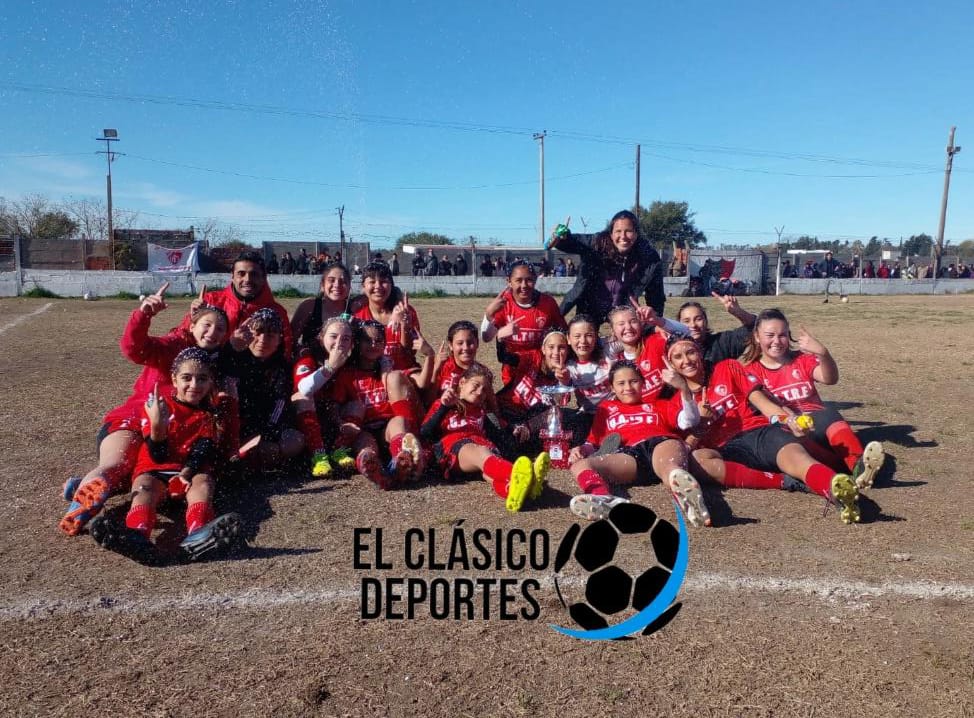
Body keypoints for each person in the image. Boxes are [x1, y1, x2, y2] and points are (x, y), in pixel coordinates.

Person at [60, 286, 229, 536]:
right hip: (136, 420)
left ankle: (86, 485)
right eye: (206, 324)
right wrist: (143, 315)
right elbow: (134, 348)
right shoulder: (175, 344)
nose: (212, 332)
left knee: (146, 471)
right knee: (118, 463)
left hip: (178, 437)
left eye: (220, 329)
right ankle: (81, 505)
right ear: (192, 324)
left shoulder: (218, 363)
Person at [665, 335, 863, 524]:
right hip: (726, 451)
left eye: (690, 352)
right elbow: (687, 446)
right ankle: (785, 482)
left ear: (700, 352)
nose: (687, 360)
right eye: (678, 357)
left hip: (758, 434)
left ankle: (840, 493)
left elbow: (764, 404)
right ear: (671, 365)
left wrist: (788, 420)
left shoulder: (727, 368)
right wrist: (701, 422)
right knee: (698, 460)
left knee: (798, 459)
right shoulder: (675, 403)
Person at [88, 348, 243, 563]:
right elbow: (157, 455)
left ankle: (198, 535)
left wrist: (187, 474)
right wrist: (158, 427)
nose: (194, 385)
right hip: (154, 468)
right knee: (144, 487)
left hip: (190, 470)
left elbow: (202, 450)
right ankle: (137, 536)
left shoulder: (210, 414)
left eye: (202, 379)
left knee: (204, 483)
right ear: (174, 379)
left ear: (211, 382)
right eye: (186, 378)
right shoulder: (156, 406)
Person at [741, 309, 885, 489]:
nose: (777, 341)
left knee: (828, 414)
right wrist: (792, 420)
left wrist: (823, 353)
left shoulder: (801, 360)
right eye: (770, 335)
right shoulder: (751, 372)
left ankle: (858, 466)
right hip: (791, 431)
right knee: (796, 437)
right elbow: (767, 407)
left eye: (783, 335)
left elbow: (830, 379)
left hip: (823, 427)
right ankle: (839, 474)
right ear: (756, 336)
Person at [567, 360, 709, 527]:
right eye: (621, 383)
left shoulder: (658, 404)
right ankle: (604, 499)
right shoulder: (606, 409)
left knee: (672, 471)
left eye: (634, 381)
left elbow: (688, 421)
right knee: (580, 466)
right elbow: (593, 442)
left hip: (660, 444)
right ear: (612, 387)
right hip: (630, 455)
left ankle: (690, 504)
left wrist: (684, 389)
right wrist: (581, 449)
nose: (628, 387)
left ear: (643, 383)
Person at [421, 365, 550, 513]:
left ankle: (516, 492)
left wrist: (515, 428)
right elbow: (425, 433)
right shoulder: (446, 404)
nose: (479, 392)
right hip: (455, 449)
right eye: (476, 385)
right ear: (462, 382)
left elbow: (502, 428)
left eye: (484, 390)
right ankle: (527, 477)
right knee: (481, 452)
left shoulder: (482, 412)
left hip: (482, 453)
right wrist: (444, 407)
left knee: (492, 474)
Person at [329, 321, 426, 487]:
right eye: (367, 340)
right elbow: (334, 405)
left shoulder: (388, 369)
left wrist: (385, 375)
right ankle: (372, 468)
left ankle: (400, 461)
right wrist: (340, 423)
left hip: (387, 428)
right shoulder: (347, 374)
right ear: (357, 343)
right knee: (365, 442)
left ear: (385, 345)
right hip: (363, 427)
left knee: (399, 421)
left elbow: (417, 383)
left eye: (379, 340)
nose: (373, 344)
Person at [220, 309, 304, 474]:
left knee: (295, 440)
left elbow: (280, 403)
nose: (262, 339)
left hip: (267, 428)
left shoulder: (282, 368)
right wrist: (231, 347)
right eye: (257, 333)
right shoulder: (233, 359)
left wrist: (267, 434)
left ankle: (252, 460)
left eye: (271, 335)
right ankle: (245, 460)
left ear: (279, 340)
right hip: (235, 428)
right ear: (247, 334)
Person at [547, 210, 665, 326]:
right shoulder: (597, 242)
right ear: (611, 234)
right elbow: (573, 242)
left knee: (630, 338)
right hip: (590, 304)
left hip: (623, 307)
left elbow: (656, 296)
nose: (623, 236)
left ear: (636, 233)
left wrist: (656, 322)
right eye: (618, 231)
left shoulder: (648, 256)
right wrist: (561, 237)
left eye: (628, 231)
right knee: (583, 338)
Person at [182, 251, 292, 357]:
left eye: (254, 274)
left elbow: (286, 351)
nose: (247, 279)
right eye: (241, 274)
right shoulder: (210, 302)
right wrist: (192, 319)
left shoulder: (276, 312)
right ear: (232, 276)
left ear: (264, 278)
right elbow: (181, 339)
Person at [480, 260, 567, 384]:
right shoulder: (503, 303)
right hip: (512, 372)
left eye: (529, 280)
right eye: (518, 280)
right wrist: (488, 315)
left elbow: (563, 333)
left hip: (541, 371)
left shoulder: (547, 303)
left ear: (535, 280)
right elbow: (486, 338)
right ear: (509, 281)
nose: (524, 285)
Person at [292, 316, 355, 477]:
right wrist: (330, 367)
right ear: (321, 338)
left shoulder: (351, 361)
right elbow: (304, 389)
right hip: (303, 420)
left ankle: (339, 450)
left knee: (356, 404)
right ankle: (319, 456)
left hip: (332, 416)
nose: (339, 342)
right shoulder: (308, 356)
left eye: (346, 338)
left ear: (352, 343)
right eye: (333, 336)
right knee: (303, 398)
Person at [352, 261, 433, 385]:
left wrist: (404, 325)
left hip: (403, 375)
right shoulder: (357, 317)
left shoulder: (406, 311)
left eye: (384, 281)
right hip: (370, 378)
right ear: (363, 286)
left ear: (391, 285)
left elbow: (409, 352)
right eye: (372, 282)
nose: (378, 286)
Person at [675, 294, 756, 370]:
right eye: (686, 321)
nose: (693, 325)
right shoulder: (674, 350)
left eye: (698, 319)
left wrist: (738, 312)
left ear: (706, 321)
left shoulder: (721, 343)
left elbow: (757, 327)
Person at [290, 261, 353, 353]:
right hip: (312, 364)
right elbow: (290, 340)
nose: (337, 285)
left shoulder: (354, 308)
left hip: (344, 365)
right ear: (322, 285)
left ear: (349, 286)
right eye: (331, 280)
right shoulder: (309, 307)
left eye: (343, 281)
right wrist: (303, 354)